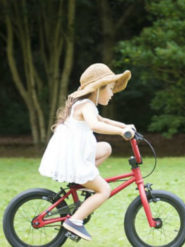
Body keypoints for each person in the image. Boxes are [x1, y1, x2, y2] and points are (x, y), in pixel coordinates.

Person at [39, 63, 135, 241]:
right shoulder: (86, 106)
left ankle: (83, 181)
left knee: (106, 148)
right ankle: (74, 221)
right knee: (104, 190)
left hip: (75, 154)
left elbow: (102, 119)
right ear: (98, 88)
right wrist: (121, 133)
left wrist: (124, 126)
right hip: (74, 158)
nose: (113, 94)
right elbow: (95, 125)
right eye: (111, 89)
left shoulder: (86, 104)